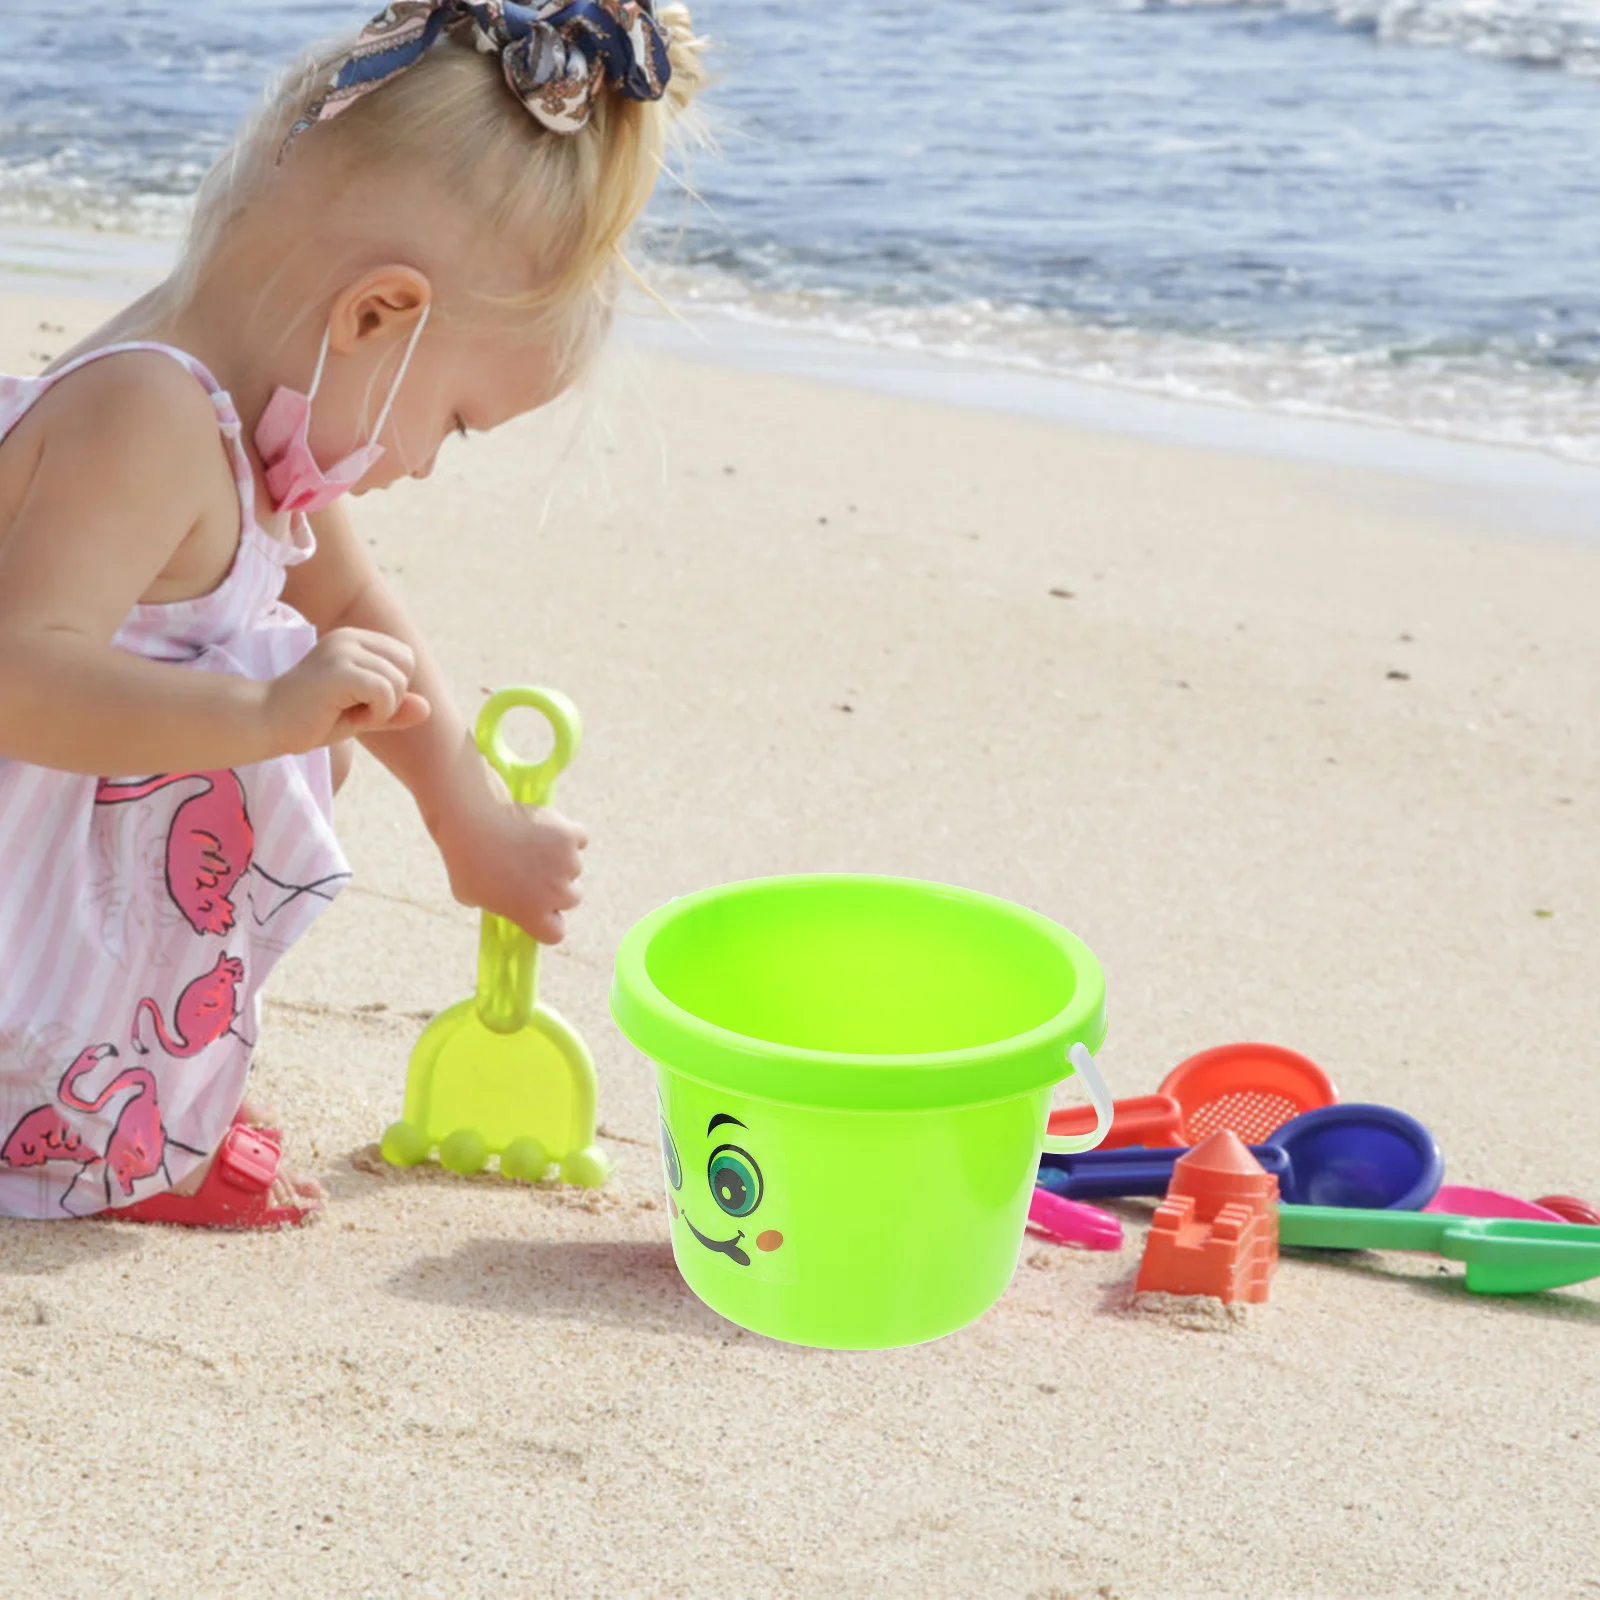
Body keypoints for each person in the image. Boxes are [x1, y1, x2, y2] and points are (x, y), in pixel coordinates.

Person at [0, 0, 706, 1227]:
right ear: (374, 315)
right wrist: (263, 711)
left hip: (64, 883)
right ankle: (76, 1125)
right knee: (282, 715)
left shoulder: (252, 443)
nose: (426, 463)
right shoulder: (146, 420)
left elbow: (367, 608)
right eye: (455, 420)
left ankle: (119, 1097)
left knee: (314, 695)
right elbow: (21, 679)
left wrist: (466, 814)